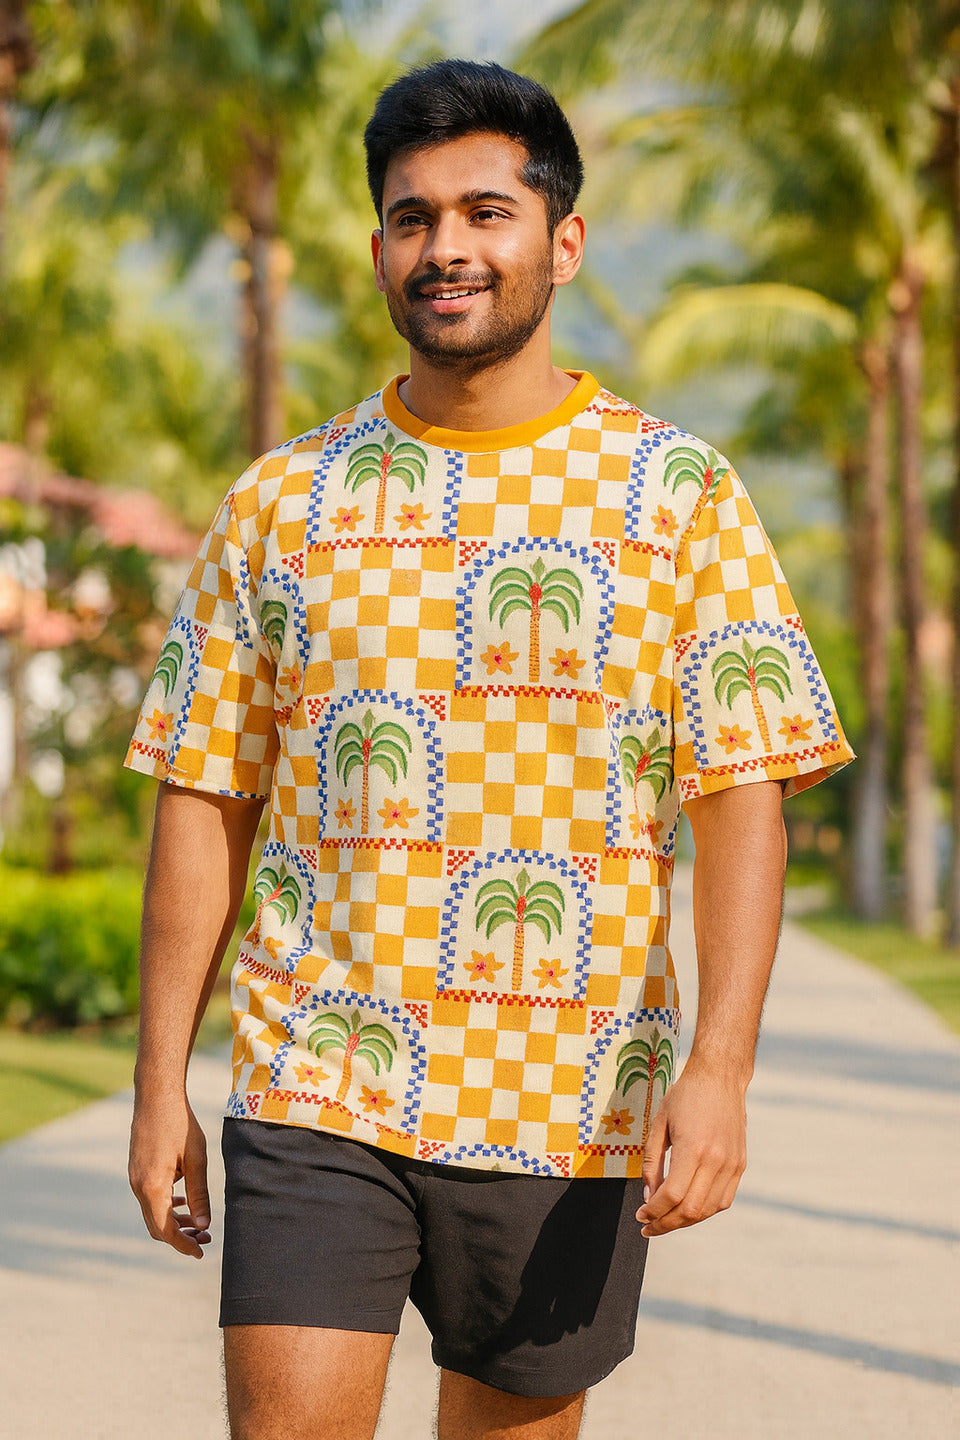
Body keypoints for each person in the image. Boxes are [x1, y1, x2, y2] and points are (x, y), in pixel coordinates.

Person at [125, 59, 855, 1440]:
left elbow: (741, 795)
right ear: (380, 247)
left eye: (484, 211)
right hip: (317, 1077)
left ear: (561, 240)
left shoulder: (679, 495)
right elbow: (204, 787)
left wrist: (720, 1071)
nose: (446, 247)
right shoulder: (282, 503)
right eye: (411, 218)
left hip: (570, 1097)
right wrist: (159, 1080)